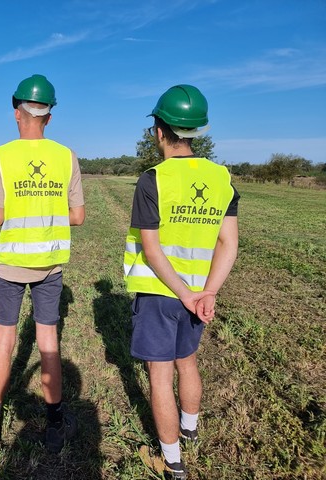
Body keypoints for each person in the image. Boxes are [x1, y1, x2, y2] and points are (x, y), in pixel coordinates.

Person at [124, 85, 239, 479]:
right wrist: (207, 292)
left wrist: (185, 293)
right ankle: (189, 431)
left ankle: (171, 461)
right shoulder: (222, 178)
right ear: (197, 132)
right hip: (197, 294)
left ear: (159, 130)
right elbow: (229, 243)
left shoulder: (152, 180)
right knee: (186, 362)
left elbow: (152, 252)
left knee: (160, 374)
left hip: (161, 292)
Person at [0, 74, 85, 453]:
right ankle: (55, 425)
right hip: (50, 265)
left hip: (11, 265)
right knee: (48, 340)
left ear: (16, 112)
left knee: (6, 338)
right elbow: (78, 216)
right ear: (49, 117)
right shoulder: (66, 157)